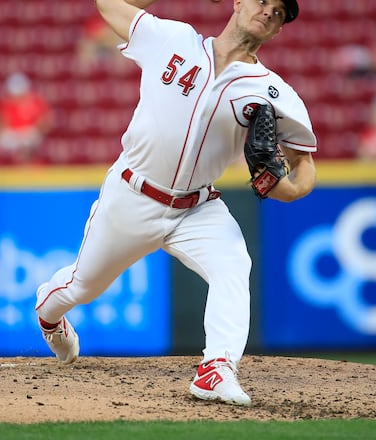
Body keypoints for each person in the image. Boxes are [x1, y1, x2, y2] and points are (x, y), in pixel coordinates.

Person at [34, 0, 316, 407]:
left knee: (234, 263)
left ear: (278, 31)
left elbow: (304, 163)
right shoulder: (173, 40)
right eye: (263, 0)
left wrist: (288, 189)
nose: (270, 11)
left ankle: (216, 368)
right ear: (238, 2)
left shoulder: (272, 91)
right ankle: (48, 312)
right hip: (132, 194)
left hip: (197, 207)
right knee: (82, 285)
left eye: (279, 12)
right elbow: (108, 5)